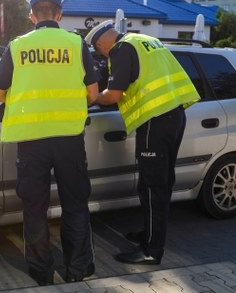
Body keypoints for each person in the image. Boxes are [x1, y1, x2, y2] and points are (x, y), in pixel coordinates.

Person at [0, 0, 99, 286]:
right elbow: (92, 93)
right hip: (69, 139)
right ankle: (78, 269)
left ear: (32, 16)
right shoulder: (76, 44)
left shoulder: (18, 46)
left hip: (31, 141)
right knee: (75, 204)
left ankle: (41, 271)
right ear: (60, 15)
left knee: (34, 208)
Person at [85, 21, 200, 265]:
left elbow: (114, 94)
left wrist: (93, 98)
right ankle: (150, 234)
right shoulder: (146, 40)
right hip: (175, 115)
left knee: (152, 187)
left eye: (99, 50)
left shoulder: (121, 49)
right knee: (162, 183)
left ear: (102, 42)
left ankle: (151, 250)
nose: (103, 55)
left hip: (154, 122)